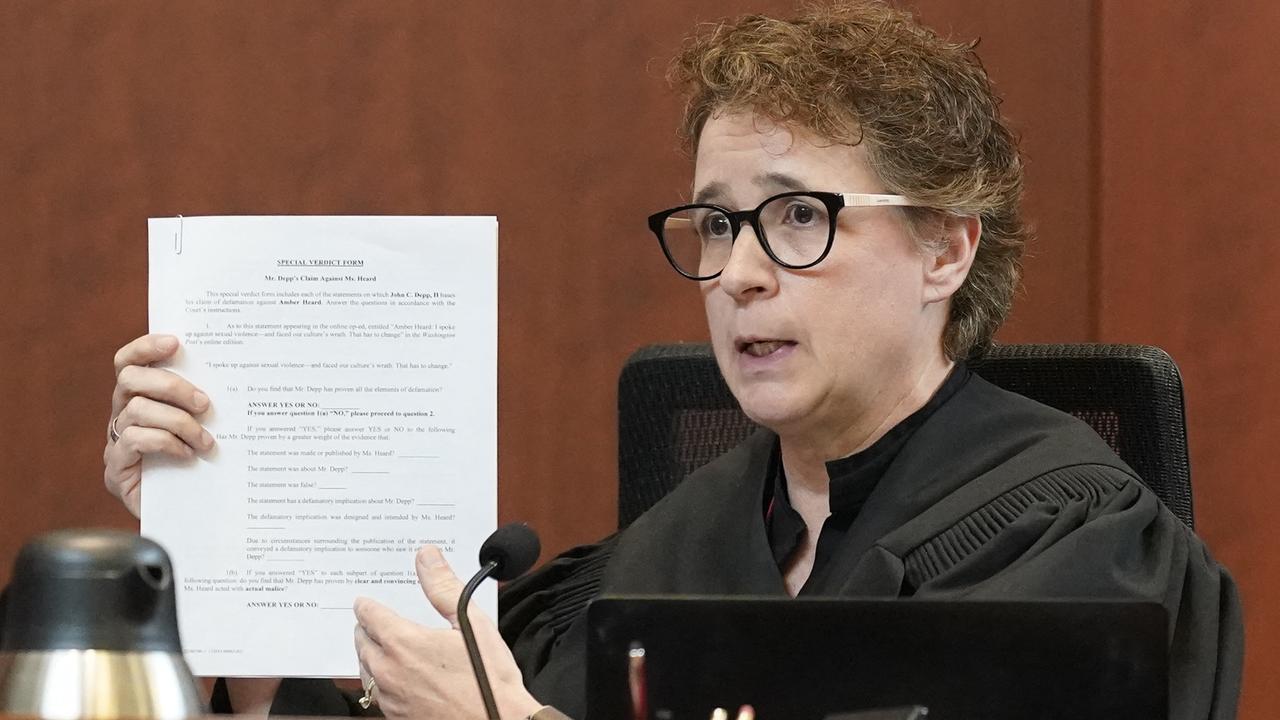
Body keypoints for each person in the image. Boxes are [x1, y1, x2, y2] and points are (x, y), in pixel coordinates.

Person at [103, 3, 1243, 719]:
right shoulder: (663, 554)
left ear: (944, 247)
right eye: (713, 223)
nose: (739, 272)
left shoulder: (1079, 547)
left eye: (796, 217)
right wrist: (218, 538)